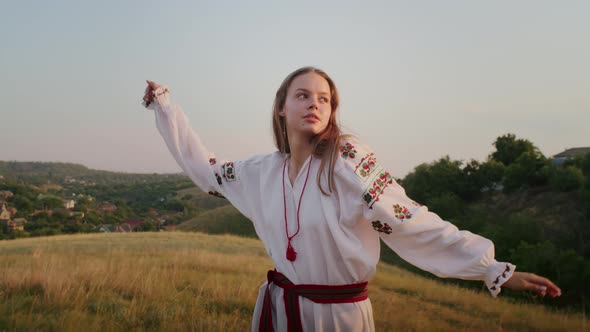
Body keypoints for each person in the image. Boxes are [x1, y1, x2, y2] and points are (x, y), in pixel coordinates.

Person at [142, 67, 561, 331]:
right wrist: (165, 109)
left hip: (338, 318)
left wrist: (491, 269)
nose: (314, 103)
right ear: (281, 109)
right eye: (303, 95)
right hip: (281, 309)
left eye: (324, 98)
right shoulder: (260, 173)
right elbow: (205, 170)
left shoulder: (346, 159)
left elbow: (407, 219)